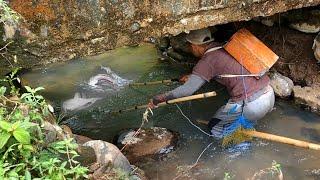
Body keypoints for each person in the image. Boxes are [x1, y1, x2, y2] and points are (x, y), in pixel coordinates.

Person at [149, 28, 275, 139]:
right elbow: (226, 71)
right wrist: (193, 77)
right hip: (269, 95)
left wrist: (158, 99)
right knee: (235, 120)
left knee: (214, 129)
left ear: (195, 46)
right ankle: (243, 127)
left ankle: (238, 153)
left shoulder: (206, 62)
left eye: (189, 45)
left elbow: (186, 91)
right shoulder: (225, 47)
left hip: (252, 105)